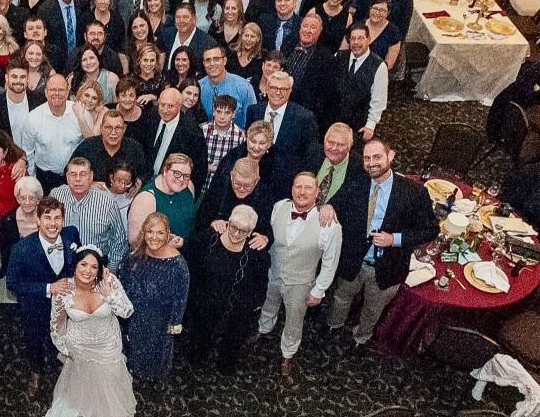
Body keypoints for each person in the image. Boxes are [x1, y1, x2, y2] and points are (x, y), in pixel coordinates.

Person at [327, 137, 439, 346]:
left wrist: (394, 239)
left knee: (373, 309)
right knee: (341, 298)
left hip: (389, 266)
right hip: (353, 260)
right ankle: (333, 325)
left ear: (391, 156)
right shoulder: (357, 181)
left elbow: (430, 230)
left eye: (377, 157)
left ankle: (361, 337)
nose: (372, 163)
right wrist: (329, 207)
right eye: (367, 158)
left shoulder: (414, 192)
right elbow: (338, 200)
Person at [44, 246, 136, 417]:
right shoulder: (64, 290)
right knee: (84, 382)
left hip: (108, 344)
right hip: (80, 346)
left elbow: (127, 312)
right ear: (75, 266)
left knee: (110, 385)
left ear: (100, 269)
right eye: (83, 264)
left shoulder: (109, 281)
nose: (88, 271)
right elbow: (57, 324)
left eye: (94, 267)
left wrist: (111, 296)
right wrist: (64, 348)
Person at [257, 172, 342, 374]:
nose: (302, 192)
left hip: (300, 283)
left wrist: (318, 290)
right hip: (273, 273)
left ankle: (288, 353)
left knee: (294, 321)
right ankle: (263, 330)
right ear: (292, 189)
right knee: (268, 305)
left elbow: (331, 262)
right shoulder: (279, 207)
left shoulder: (330, 225)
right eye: (298, 187)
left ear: (317, 192)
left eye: (308, 187)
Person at [6, 196, 81, 394]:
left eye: (58, 218)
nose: (53, 224)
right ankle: (36, 372)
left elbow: (80, 261)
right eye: (47, 218)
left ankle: (67, 369)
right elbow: (12, 283)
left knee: (66, 337)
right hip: (35, 307)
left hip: (66, 306)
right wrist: (48, 288)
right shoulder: (21, 249)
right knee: (35, 340)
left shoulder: (71, 235)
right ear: (38, 220)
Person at [185, 205, 270, 373]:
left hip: (238, 308)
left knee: (233, 340)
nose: (237, 234)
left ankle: (226, 364)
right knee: (200, 336)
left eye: (244, 231)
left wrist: (253, 306)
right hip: (206, 300)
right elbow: (191, 262)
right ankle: (197, 358)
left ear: (252, 231)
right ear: (228, 222)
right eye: (234, 227)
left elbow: (261, 282)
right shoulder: (210, 237)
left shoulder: (256, 251)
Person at [119, 211, 190, 385]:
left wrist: (174, 322)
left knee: (159, 353)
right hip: (136, 315)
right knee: (134, 347)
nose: (154, 237)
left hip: (161, 319)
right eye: (150, 231)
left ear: (168, 234)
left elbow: (181, 296)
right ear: (144, 232)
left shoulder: (177, 263)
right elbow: (124, 282)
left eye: (160, 232)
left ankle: (157, 381)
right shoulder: (133, 254)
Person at [243, 71, 318, 195]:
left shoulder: (304, 117)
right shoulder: (254, 111)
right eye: (274, 88)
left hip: (285, 186)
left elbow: (310, 155)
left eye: (283, 89)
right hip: (254, 182)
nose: (278, 92)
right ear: (266, 88)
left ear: (290, 91)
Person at [51, 158, 128, 270]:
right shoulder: (56, 196)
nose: (78, 179)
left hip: (95, 265)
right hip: (60, 263)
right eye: (73, 174)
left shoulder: (107, 203)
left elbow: (119, 239)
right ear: (67, 177)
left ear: (91, 176)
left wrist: (111, 269)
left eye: (83, 174)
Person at [17, 74, 84, 192]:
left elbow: (89, 143)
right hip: (46, 178)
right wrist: (34, 182)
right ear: (46, 92)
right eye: (53, 89)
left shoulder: (79, 113)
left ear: (67, 92)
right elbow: (28, 152)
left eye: (61, 90)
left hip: (76, 176)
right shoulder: (33, 118)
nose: (57, 93)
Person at [331, 25, 389, 142]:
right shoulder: (339, 56)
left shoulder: (379, 66)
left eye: (361, 38)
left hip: (358, 123)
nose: (356, 42)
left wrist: (370, 125)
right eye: (353, 39)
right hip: (333, 118)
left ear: (368, 39)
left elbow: (378, 100)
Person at [127, 153, 197, 246]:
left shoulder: (189, 186)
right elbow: (134, 240)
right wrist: (165, 245)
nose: (181, 179)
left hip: (186, 250)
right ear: (165, 171)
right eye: (176, 173)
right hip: (155, 256)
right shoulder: (146, 198)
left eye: (186, 176)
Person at [0, 175, 44, 278]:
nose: (27, 202)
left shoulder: (46, 218)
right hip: (18, 270)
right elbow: (5, 251)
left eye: (31, 198)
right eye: (23, 198)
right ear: (17, 199)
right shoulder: (8, 221)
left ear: (38, 199)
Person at [351, 0, 403, 70]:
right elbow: (345, 50)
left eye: (382, 10)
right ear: (370, 9)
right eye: (375, 8)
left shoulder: (393, 32)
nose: (377, 12)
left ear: (387, 13)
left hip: (376, 72)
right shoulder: (358, 25)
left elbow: (389, 63)